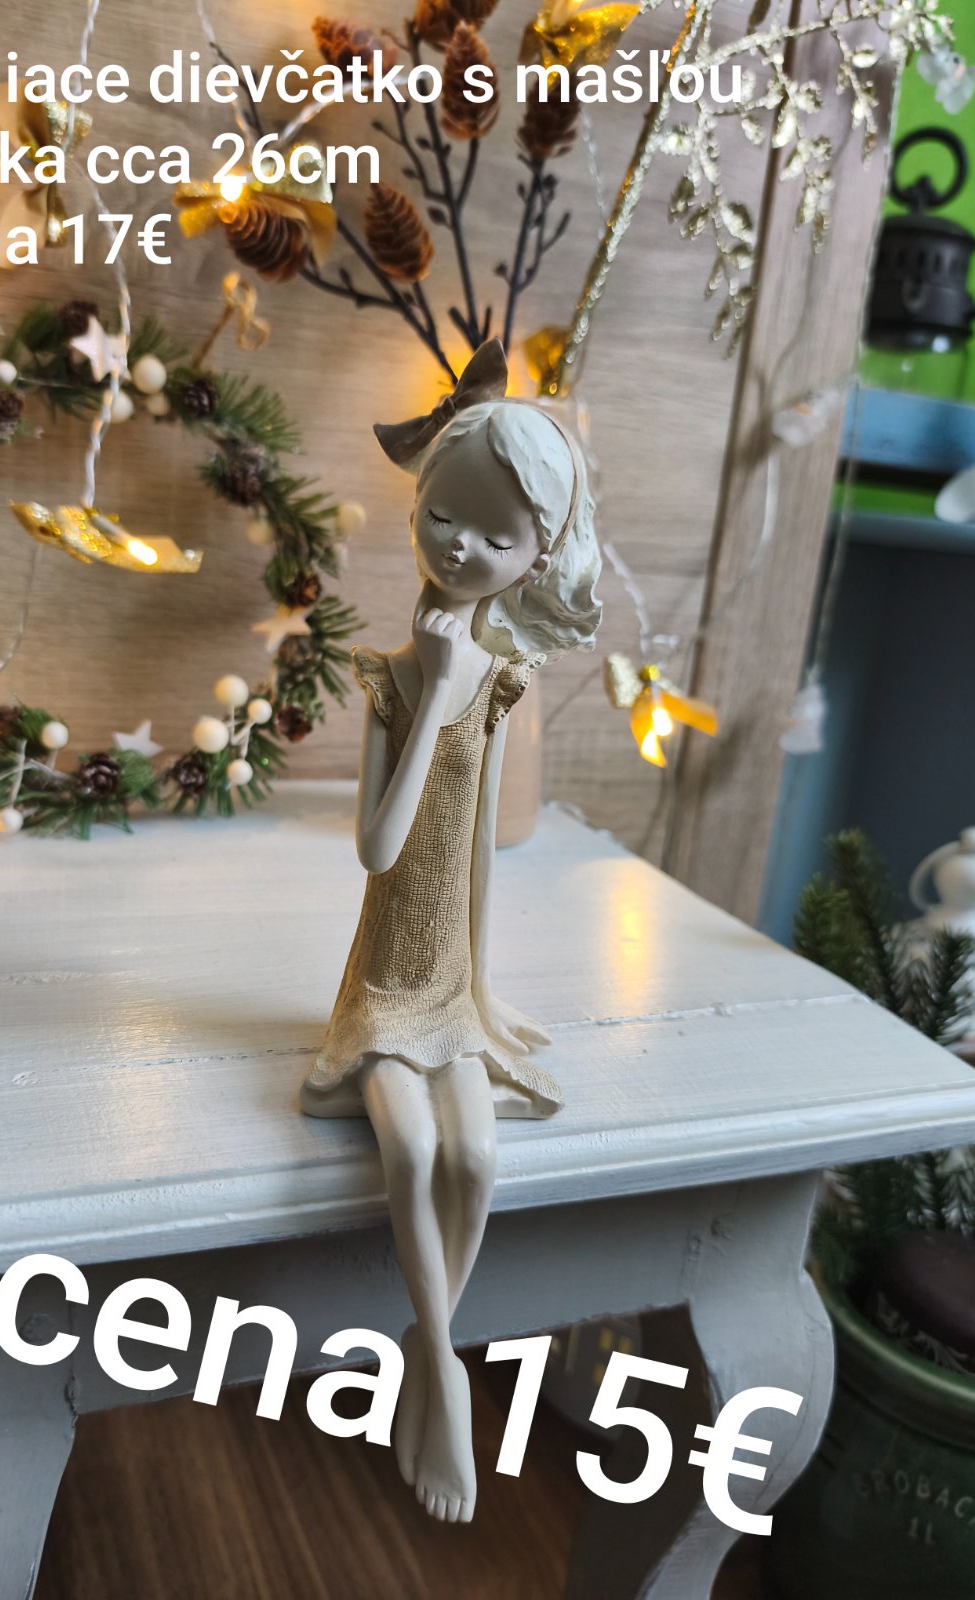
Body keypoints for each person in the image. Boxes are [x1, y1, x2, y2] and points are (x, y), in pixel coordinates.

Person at [301, 339, 602, 1522]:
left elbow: (475, 855)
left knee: (478, 1157)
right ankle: (442, 1373)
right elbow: (379, 849)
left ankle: (426, 1362)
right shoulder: (392, 679)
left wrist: (483, 989)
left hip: (448, 981)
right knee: (415, 1152)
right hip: (385, 981)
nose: (463, 548)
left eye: (497, 536)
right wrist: (431, 691)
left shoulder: (502, 682)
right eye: (443, 518)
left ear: (537, 555)